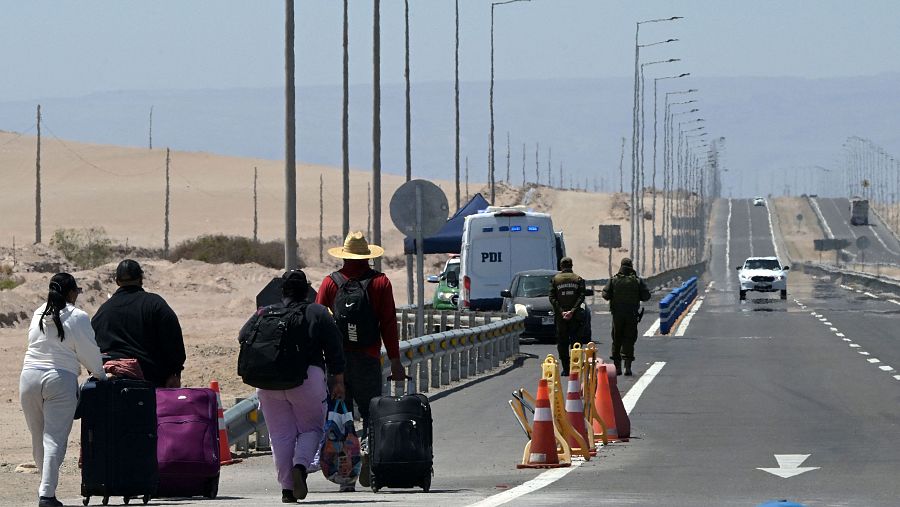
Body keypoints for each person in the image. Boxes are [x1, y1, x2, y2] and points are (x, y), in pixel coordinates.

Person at [239, 270, 346, 503]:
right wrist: (338, 379)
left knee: (280, 435)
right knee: (311, 429)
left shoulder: (264, 312)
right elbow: (335, 347)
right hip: (306, 380)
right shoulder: (317, 311)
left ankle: (287, 489)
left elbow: (242, 335)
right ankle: (300, 466)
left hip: (267, 383)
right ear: (307, 290)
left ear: (282, 291)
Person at [316, 231, 405, 489]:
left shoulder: (330, 283)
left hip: (337, 362)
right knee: (371, 415)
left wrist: (320, 362)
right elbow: (388, 324)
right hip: (368, 358)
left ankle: (346, 477)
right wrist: (396, 360)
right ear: (367, 255)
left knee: (340, 417)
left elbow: (319, 320)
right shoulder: (380, 282)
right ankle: (368, 456)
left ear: (344, 255)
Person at [20, 273, 108, 507]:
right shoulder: (78, 316)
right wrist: (100, 375)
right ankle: (46, 494)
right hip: (59, 379)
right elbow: (89, 352)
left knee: (38, 438)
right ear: (71, 293)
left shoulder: (39, 312)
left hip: (28, 378)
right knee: (54, 439)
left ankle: (45, 486)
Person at [91, 259, 186, 388]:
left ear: (117, 281)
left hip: (108, 386)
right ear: (141, 278)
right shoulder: (155, 304)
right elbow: (174, 343)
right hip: (150, 385)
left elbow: (92, 348)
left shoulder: (102, 311)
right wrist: (175, 372)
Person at [601, 258, 651, 376]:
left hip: (617, 315)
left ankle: (617, 367)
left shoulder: (614, 280)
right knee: (629, 340)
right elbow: (646, 296)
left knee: (616, 339)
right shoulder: (637, 281)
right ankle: (627, 366)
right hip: (632, 315)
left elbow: (605, 295)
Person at [549, 257, 588, 376]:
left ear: (561, 266)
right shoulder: (578, 279)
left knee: (562, 342)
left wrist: (561, 311)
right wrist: (572, 311)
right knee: (576, 341)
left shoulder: (555, 280)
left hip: (561, 318)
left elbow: (552, 298)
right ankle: (575, 367)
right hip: (575, 317)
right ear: (571, 265)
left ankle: (566, 369)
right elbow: (581, 296)